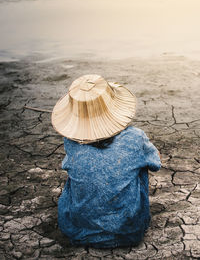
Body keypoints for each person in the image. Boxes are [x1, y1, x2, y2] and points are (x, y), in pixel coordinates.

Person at [51, 74, 161, 248]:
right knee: (140, 164)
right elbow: (156, 164)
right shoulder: (135, 137)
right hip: (130, 232)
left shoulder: (70, 140)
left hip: (77, 231)